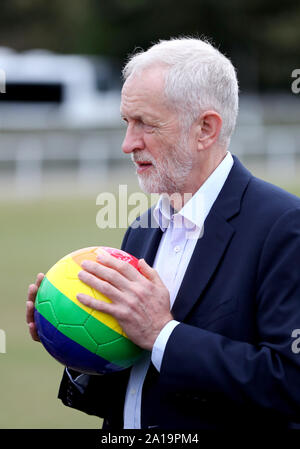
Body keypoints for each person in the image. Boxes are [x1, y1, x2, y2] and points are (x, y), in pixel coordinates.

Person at [26, 37, 300, 430]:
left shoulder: (285, 227)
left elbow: (290, 382)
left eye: (145, 124)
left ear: (206, 128)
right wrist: (75, 346)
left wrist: (163, 335)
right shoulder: (141, 228)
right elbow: (135, 391)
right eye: (126, 122)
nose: (127, 144)